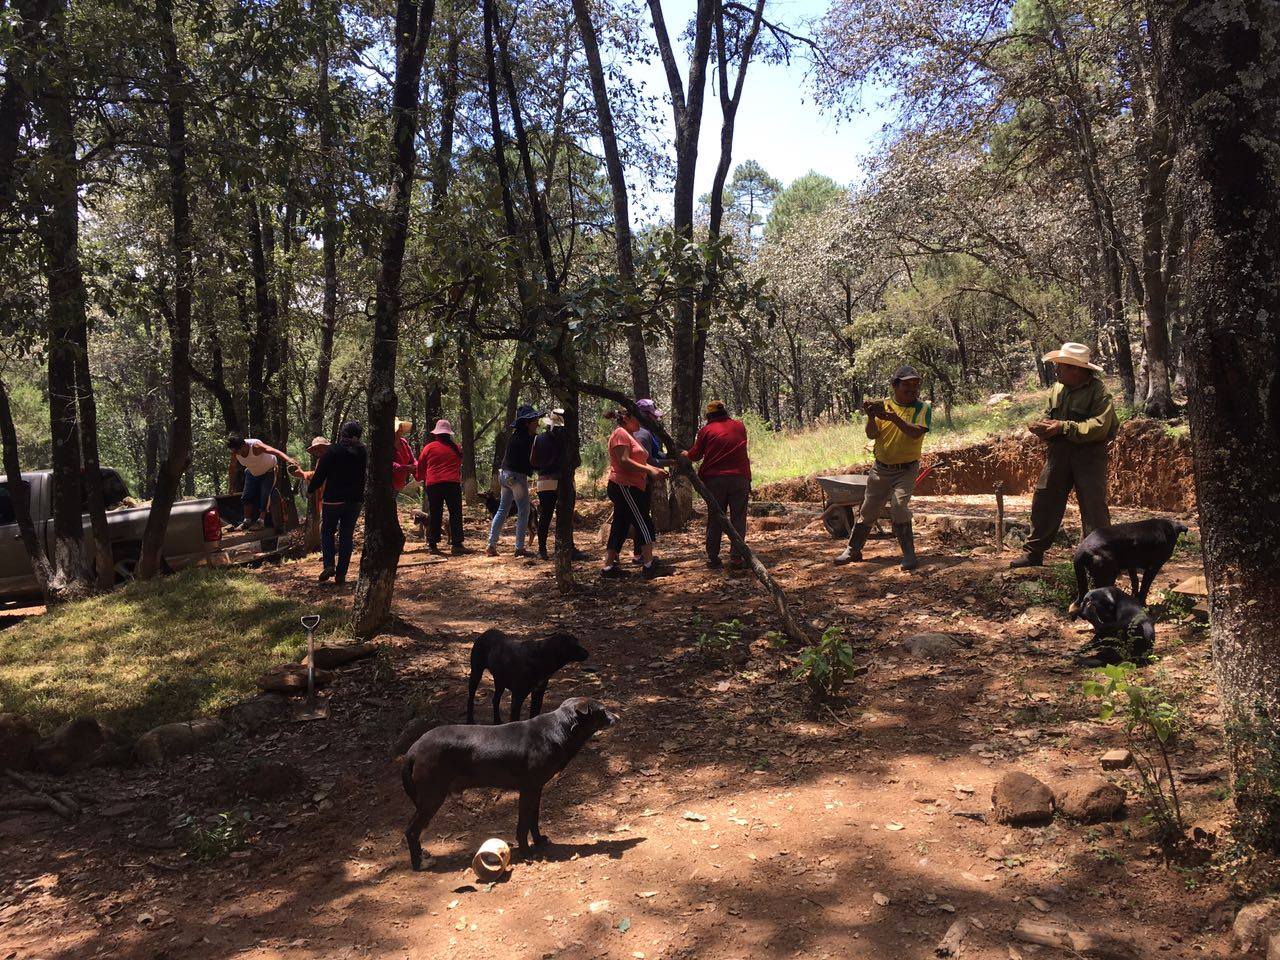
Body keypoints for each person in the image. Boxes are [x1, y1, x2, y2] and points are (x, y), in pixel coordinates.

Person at [1010, 342, 1118, 568]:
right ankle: (1033, 553)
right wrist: (1043, 426)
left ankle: (1101, 559)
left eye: (1060, 366)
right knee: (1045, 499)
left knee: (1093, 507)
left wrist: (1064, 427)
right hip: (1058, 453)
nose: (1056, 370)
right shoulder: (1057, 389)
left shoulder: (1099, 392)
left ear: (1076, 369)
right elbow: (1049, 415)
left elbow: (1100, 427)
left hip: (1089, 455)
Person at [835, 365, 932, 571]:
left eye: (915, 385)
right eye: (907, 385)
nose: (912, 389)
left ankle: (909, 554)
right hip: (881, 469)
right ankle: (853, 549)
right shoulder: (884, 406)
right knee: (868, 510)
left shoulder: (922, 408)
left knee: (899, 506)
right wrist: (872, 417)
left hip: (906, 469)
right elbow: (871, 434)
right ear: (895, 386)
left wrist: (893, 418)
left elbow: (916, 433)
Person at [682, 400, 752, 570]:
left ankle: (713, 557)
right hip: (740, 478)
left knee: (715, 517)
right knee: (738, 518)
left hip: (715, 480)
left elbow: (695, 455)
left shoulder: (706, 430)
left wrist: (685, 454)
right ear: (725, 412)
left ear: (708, 416)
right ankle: (736, 557)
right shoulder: (739, 426)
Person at [601, 408, 667, 579]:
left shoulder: (630, 435)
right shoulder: (620, 434)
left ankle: (608, 567)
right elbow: (624, 461)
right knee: (643, 520)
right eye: (637, 418)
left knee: (620, 525)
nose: (640, 422)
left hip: (633, 485)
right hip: (624, 486)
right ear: (626, 419)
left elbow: (640, 461)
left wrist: (654, 469)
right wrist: (649, 470)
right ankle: (649, 565)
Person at [308, 420, 367, 585]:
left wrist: (310, 489)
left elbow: (320, 475)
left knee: (327, 531)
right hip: (355, 500)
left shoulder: (332, 451)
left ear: (342, 434)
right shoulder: (362, 452)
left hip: (333, 500)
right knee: (346, 536)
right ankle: (341, 574)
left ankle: (329, 565)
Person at [487, 403, 542, 557]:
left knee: (502, 510)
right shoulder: (529, 439)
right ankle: (519, 547)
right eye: (535, 421)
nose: (537, 424)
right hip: (516, 477)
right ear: (527, 423)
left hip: (504, 476)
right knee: (524, 510)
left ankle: (491, 545)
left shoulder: (515, 436)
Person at [416, 419, 467, 556]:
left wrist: (419, 477)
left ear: (436, 434)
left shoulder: (429, 448)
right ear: (449, 434)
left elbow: (421, 465)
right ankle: (457, 544)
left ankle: (432, 545)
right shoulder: (456, 448)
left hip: (434, 485)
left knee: (435, 513)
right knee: (455, 513)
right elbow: (458, 466)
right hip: (452, 484)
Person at [227, 434, 297, 530]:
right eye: (233, 451)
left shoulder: (256, 446)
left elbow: (275, 451)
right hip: (252, 472)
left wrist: (289, 459)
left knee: (265, 495)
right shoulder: (235, 453)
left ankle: (261, 522)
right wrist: (231, 485)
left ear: (243, 446)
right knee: (246, 496)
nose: (235, 453)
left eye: (236, 451)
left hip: (269, 471)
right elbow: (232, 468)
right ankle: (247, 521)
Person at [629, 399, 669, 564]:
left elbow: (656, 454)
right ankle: (642, 557)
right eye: (653, 416)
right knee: (639, 518)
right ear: (644, 415)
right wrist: (670, 462)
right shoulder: (642, 434)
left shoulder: (647, 433)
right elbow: (649, 461)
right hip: (637, 483)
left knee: (631, 518)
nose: (656, 419)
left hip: (637, 481)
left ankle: (635, 555)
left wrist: (672, 457)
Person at [531, 409, 567, 560]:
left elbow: (533, 461)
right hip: (563, 481)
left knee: (545, 517)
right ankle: (565, 548)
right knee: (564, 516)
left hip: (544, 482)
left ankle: (542, 549)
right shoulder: (566, 439)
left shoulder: (538, 439)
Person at [392, 418, 417, 494]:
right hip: (389, 483)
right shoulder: (387, 444)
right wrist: (405, 468)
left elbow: (412, 460)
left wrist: (416, 466)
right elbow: (388, 463)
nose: (400, 431)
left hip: (400, 483)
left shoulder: (403, 442)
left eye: (401, 428)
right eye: (398, 429)